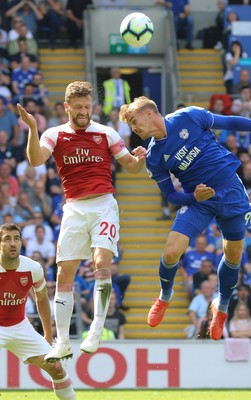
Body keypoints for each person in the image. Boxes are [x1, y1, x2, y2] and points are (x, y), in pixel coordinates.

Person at [119, 96, 251, 341]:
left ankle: (221, 307)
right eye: (131, 126)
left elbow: (230, 122)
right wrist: (194, 197)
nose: (134, 129)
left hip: (230, 191)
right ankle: (164, 296)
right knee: (171, 251)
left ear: (149, 113)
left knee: (233, 255)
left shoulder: (188, 116)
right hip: (198, 200)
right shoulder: (154, 156)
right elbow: (170, 196)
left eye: (135, 122)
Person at [17, 81, 146, 361]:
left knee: (101, 263)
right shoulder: (55, 134)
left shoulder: (106, 133)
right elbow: (36, 159)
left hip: (103, 206)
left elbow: (133, 167)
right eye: (78, 108)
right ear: (67, 108)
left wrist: (141, 157)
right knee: (64, 274)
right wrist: (32, 129)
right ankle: (62, 341)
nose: (84, 112)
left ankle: (96, 329)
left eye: (87, 107)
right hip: (73, 208)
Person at [0, 223, 76, 400]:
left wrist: (48, 335)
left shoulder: (32, 268)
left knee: (56, 367)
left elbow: (42, 300)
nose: (13, 243)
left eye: (16, 239)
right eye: (7, 239)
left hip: (20, 326)